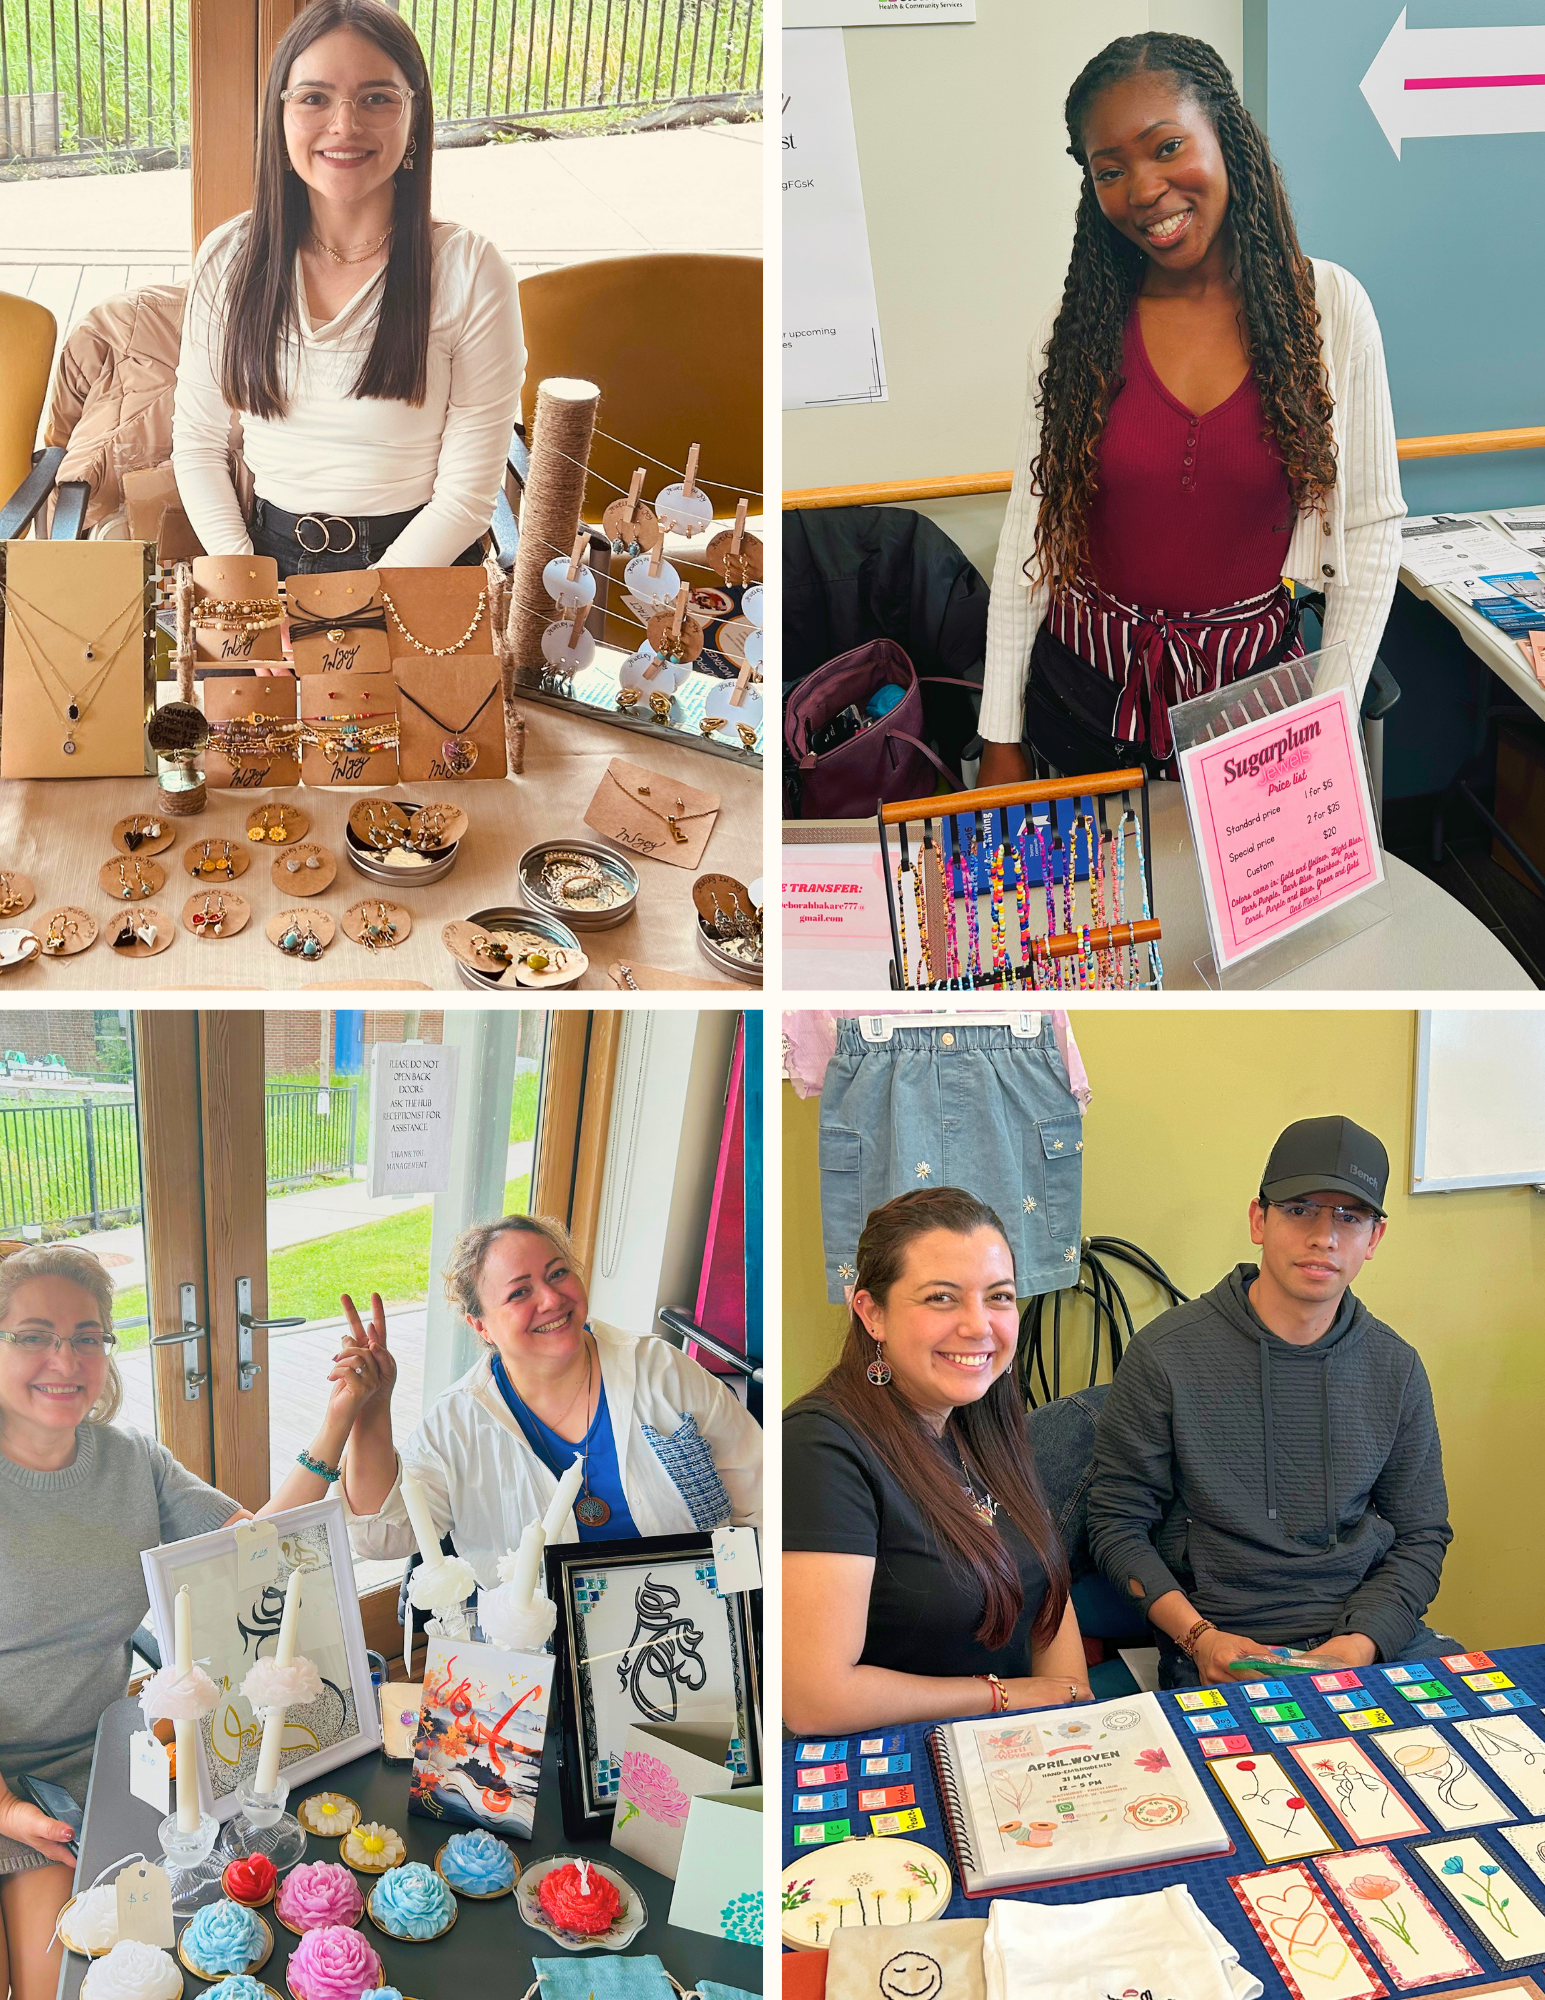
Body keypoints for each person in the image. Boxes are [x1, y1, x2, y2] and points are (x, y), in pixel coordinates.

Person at [977, 33, 1403, 781]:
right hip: (1082, 696)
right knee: (1095, 897)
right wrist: (1000, 735)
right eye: (1110, 171)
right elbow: (1029, 529)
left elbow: (1366, 532)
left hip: (1253, 706)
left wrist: (1328, 718)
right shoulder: (1072, 328)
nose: (1142, 190)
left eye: (1166, 146)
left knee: (1226, 900)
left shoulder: (1328, 309)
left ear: (1226, 139)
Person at [0, 1244, 388, 2000]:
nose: (66, 1358)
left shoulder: (131, 1460)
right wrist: (7, 1809)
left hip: (119, 1763)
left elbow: (256, 1549)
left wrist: (343, 1412)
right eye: (35, 1334)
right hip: (10, 1786)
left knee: (116, 1975)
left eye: (87, 1336)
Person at [1087, 1116, 1455, 1690]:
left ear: (1374, 1238)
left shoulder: (1396, 1368)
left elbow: (1422, 1533)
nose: (1324, 1237)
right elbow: (1115, 1524)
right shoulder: (1165, 1355)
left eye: (1349, 1218)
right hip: (1224, 1648)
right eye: (1301, 1209)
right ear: (1260, 1219)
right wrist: (1198, 1639)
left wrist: (1362, 1643)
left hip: (1371, 1644)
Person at [173, 0, 524, 579]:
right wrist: (248, 589)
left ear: (414, 116)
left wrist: (352, 611)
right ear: (279, 116)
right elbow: (198, 443)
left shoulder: (470, 269)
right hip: (262, 560)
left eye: (376, 98)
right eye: (313, 97)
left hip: (420, 564)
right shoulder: (230, 257)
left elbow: (466, 497)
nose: (344, 125)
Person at [783, 1187, 1090, 1735]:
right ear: (872, 1313)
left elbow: (1045, 1588)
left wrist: (1066, 1704)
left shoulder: (980, 1414)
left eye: (998, 1297)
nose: (979, 1326)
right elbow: (815, 1698)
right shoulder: (818, 1448)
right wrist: (1005, 1697)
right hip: (895, 1765)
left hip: (1018, 1743)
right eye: (942, 1298)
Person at [341, 1213, 762, 1582]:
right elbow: (384, 1536)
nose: (551, 1299)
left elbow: (759, 1497)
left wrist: (739, 1612)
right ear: (481, 1327)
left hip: (686, 1634)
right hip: (537, 1655)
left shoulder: (658, 1369)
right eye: (519, 1292)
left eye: (558, 1273)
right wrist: (371, 1409)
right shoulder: (458, 1421)